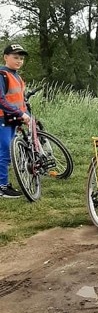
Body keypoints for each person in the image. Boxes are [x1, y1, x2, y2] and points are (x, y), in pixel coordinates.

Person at [0, 44, 31, 198]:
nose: (19, 61)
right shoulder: (2, 75)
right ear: (5, 57)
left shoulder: (17, 76)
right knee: (5, 152)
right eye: (15, 57)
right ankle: (2, 187)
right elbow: (1, 100)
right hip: (2, 119)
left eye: (21, 58)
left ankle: (4, 183)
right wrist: (20, 113)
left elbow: (20, 100)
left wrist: (27, 115)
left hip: (12, 118)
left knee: (8, 152)